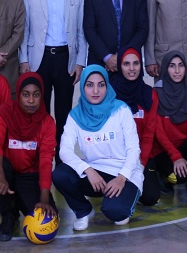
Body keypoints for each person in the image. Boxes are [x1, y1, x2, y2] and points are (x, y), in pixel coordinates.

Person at [53, 65, 143, 230]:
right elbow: (64, 151)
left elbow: (134, 149)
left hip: (125, 172)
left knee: (116, 213)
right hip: (96, 172)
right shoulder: (75, 115)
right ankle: (83, 211)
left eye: (101, 85)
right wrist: (87, 170)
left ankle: (123, 200)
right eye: (89, 85)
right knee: (60, 174)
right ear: (83, 87)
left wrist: (122, 177)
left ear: (107, 86)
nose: (95, 90)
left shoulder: (121, 110)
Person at [19, 0, 86, 151]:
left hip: (66, 58)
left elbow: (81, 32)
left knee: (65, 110)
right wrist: (23, 60)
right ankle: (43, 155)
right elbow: (25, 29)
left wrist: (80, 62)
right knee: (41, 109)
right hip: (40, 58)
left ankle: (63, 156)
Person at [0, 72, 57, 241]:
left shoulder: (47, 122)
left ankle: (18, 200)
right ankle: (8, 216)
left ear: (42, 96)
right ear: (18, 95)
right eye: (26, 95)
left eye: (36, 95)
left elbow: (46, 161)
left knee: (50, 219)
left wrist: (44, 199)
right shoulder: (4, 113)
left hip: (29, 176)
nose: (31, 101)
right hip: (7, 173)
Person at [110, 48, 162, 205]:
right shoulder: (111, 93)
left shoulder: (149, 94)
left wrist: (138, 164)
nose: (132, 69)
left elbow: (148, 135)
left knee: (150, 197)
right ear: (120, 66)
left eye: (136, 63)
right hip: (116, 157)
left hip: (141, 157)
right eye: (126, 64)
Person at [150, 52, 187, 193]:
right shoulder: (156, 94)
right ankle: (162, 175)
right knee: (177, 177)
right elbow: (158, 132)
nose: (177, 71)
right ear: (165, 69)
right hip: (163, 148)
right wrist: (176, 157)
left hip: (184, 145)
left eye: (181, 66)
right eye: (172, 66)